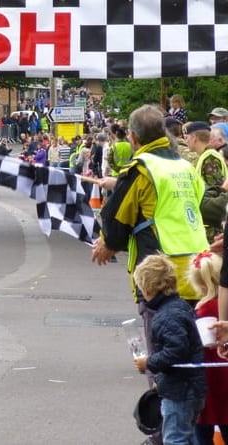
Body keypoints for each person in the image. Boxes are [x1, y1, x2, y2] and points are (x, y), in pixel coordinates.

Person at [91, 105, 208, 445]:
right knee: (195, 358)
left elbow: (115, 224)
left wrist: (106, 243)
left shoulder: (141, 169)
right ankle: (191, 431)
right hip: (200, 274)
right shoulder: (185, 167)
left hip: (162, 277)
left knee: (164, 363)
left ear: (133, 137)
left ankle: (165, 435)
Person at [133, 254, 206, 445]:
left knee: (175, 438)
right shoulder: (179, 306)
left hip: (180, 391)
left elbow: (176, 351)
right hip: (191, 387)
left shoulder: (166, 315)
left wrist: (149, 363)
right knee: (189, 435)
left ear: (147, 289)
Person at [186, 251, 228, 445]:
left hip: (209, 378)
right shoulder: (222, 306)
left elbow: (203, 344)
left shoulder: (203, 309)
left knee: (202, 432)